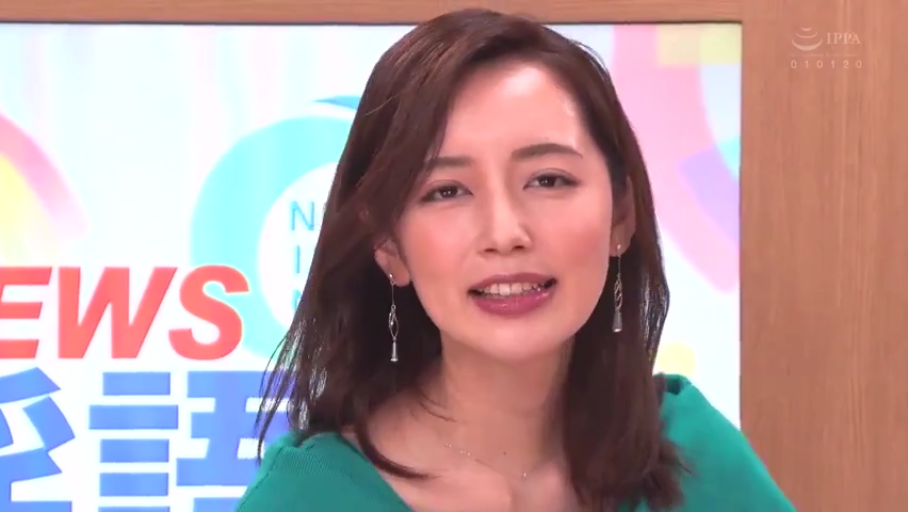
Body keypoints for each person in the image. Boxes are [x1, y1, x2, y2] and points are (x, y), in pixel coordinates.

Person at [238, 8, 793, 512]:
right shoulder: (309, 496)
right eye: (447, 191)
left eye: (548, 180)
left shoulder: (692, 455)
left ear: (620, 217)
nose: (505, 234)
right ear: (389, 245)